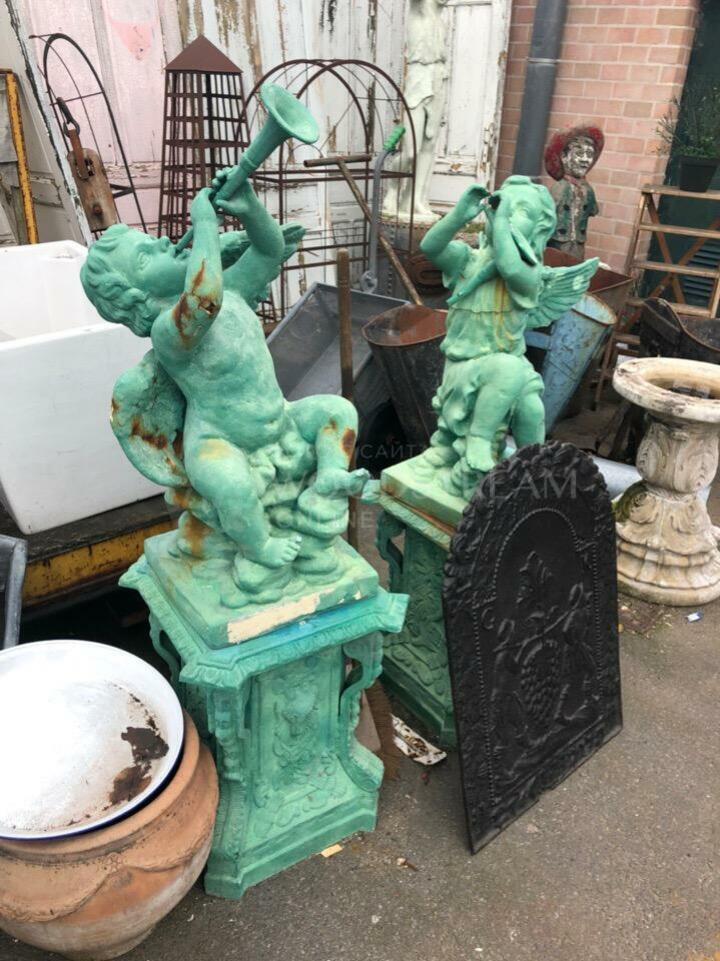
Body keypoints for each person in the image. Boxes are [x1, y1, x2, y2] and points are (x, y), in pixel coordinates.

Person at [81, 170, 368, 593]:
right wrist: (206, 228)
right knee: (231, 485)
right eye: (144, 257)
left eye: (152, 240)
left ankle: (329, 476)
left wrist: (250, 208)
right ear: (134, 295)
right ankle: (259, 547)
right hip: (220, 441)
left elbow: (270, 250)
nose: (162, 244)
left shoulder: (232, 289)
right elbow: (203, 300)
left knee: (338, 410)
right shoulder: (167, 330)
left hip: (279, 420)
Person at [418, 175, 599, 499]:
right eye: (504, 206)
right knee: (508, 369)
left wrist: (500, 218)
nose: (508, 214)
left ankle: (532, 469)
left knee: (532, 409)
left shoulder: (529, 275)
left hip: (508, 366)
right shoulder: (466, 261)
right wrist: (460, 214)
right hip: (467, 365)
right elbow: (430, 247)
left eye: (522, 211)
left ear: (538, 231)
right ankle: (479, 440)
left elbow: (509, 266)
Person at [544, 125, 604, 260]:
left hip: (578, 244)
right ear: (564, 157)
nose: (585, 159)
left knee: (576, 265)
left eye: (589, 155)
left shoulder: (587, 190)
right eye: (579, 154)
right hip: (557, 244)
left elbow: (592, 211)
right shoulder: (559, 188)